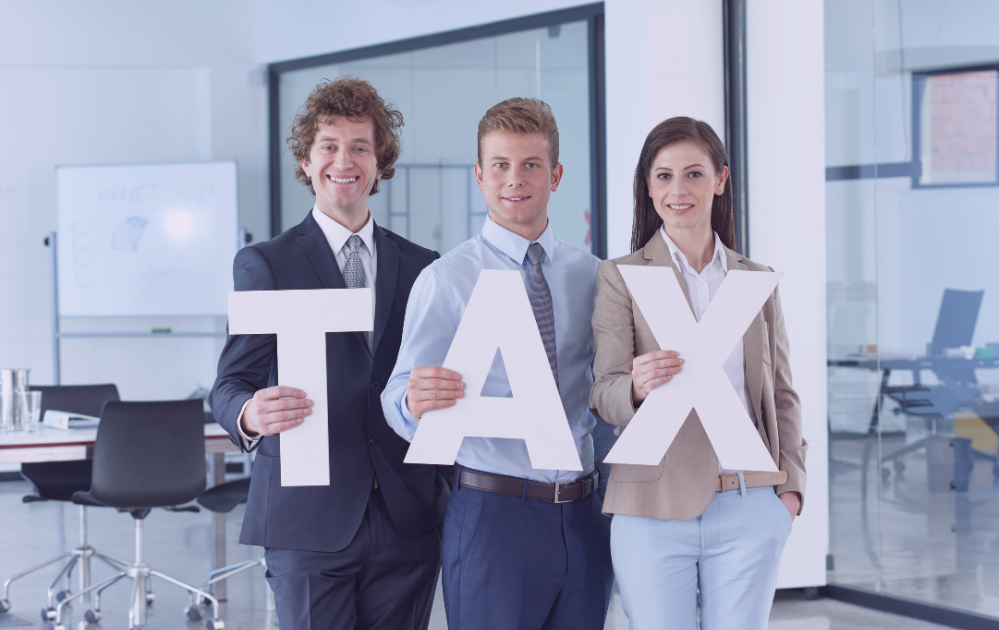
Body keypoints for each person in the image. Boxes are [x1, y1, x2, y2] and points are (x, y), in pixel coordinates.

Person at [209, 77, 446, 630]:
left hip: (406, 515)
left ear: (381, 163)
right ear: (306, 160)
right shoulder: (265, 264)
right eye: (329, 146)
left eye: (360, 147)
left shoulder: (422, 265)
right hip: (308, 518)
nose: (345, 160)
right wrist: (248, 414)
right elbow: (229, 384)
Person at [381, 97, 615, 630]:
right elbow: (396, 396)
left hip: (583, 512)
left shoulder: (595, 276)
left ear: (555, 175)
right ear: (480, 176)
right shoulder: (447, 279)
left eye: (531, 164)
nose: (516, 179)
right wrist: (413, 402)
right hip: (494, 515)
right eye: (501, 165)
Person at [589, 116, 807, 630]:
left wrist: (790, 492)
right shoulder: (621, 276)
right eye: (663, 176)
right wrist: (637, 388)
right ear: (648, 185)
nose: (678, 189)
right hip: (652, 507)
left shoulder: (755, 281)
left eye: (693, 174)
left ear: (721, 180)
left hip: (750, 503)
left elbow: (781, 394)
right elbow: (603, 392)